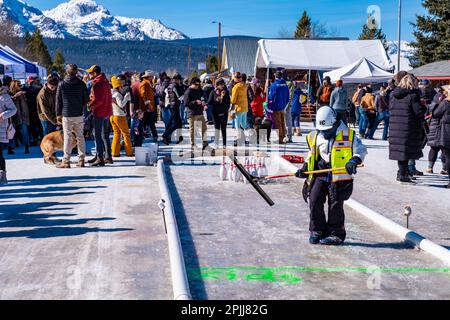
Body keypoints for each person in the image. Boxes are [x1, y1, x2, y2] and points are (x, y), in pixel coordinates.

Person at [295, 106, 367, 245]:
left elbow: (361, 149)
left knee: (335, 204)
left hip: (338, 177)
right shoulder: (315, 136)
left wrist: (354, 160)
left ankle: (336, 234)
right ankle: (317, 230)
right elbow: (311, 155)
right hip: (320, 173)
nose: (324, 133)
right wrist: (304, 169)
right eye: (322, 130)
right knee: (314, 200)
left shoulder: (348, 135)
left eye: (327, 130)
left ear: (334, 124)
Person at [389, 73, 427, 183]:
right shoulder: (413, 96)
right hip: (408, 127)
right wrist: (424, 106)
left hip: (396, 127)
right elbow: (418, 112)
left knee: (401, 153)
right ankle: (403, 175)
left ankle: (402, 173)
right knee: (406, 152)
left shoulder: (394, 95)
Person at [55, 64, 90, 168]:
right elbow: (86, 99)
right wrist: (80, 105)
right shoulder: (81, 84)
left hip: (66, 113)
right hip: (78, 113)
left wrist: (58, 114)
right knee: (80, 136)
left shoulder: (62, 84)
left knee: (67, 137)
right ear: (76, 72)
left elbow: (58, 100)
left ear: (66, 72)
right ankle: (81, 159)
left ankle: (66, 161)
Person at [86, 65, 113, 167]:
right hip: (106, 111)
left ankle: (100, 158)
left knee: (97, 135)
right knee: (104, 134)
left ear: (95, 73)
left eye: (90, 73)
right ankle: (107, 156)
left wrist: (90, 105)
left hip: (100, 111)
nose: (89, 75)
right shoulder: (105, 81)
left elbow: (98, 100)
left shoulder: (97, 83)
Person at [430, 85, 450, 188]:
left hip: (447, 131)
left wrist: (439, 103)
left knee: (448, 155)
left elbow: (435, 113)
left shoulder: (446, 103)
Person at [110, 76, 133, 157]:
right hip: (119, 116)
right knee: (126, 134)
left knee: (116, 134)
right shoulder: (117, 94)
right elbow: (121, 104)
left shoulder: (110, 93)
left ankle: (115, 152)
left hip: (112, 116)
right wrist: (126, 97)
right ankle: (129, 152)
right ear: (119, 86)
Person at [0, 79, 17, 185]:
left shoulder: (4, 97)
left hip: (1, 129)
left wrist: (3, 115)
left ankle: (3, 175)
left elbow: (13, 110)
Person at [184, 77, 208, 149]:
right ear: (192, 84)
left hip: (200, 112)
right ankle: (193, 144)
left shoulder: (199, 90)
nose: (198, 86)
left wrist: (204, 102)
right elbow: (186, 103)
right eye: (196, 85)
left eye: (199, 84)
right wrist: (195, 102)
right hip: (192, 113)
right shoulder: (188, 92)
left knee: (204, 128)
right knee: (192, 130)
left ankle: (205, 143)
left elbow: (203, 97)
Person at [162, 73, 184, 145]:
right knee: (175, 124)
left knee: (178, 122)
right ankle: (165, 136)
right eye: (180, 80)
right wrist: (181, 97)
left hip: (172, 105)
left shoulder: (170, 85)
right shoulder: (175, 86)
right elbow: (178, 96)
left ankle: (179, 138)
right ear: (177, 80)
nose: (180, 81)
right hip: (174, 106)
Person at [268, 71, 290, 144]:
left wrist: (269, 104)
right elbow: (288, 96)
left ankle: (280, 139)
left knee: (278, 123)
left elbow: (271, 96)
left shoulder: (274, 85)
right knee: (283, 122)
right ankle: (283, 137)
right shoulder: (285, 85)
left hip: (276, 106)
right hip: (283, 106)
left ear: (275, 76)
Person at [208, 78, 231, 147]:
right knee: (217, 128)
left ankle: (224, 144)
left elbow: (228, 102)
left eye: (223, 84)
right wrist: (216, 99)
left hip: (224, 113)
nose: (222, 86)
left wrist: (226, 109)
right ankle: (216, 143)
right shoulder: (213, 92)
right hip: (215, 113)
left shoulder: (225, 92)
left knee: (223, 129)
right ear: (217, 85)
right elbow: (209, 102)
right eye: (221, 84)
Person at [9, 80, 30, 154]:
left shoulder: (22, 93)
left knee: (25, 131)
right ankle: (10, 147)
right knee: (11, 132)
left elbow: (25, 104)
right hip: (13, 116)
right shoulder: (9, 93)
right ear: (14, 85)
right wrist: (16, 96)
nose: (20, 86)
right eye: (19, 85)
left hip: (23, 115)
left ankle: (26, 146)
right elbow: (9, 102)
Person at [23, 76, 44, 146]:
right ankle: (36, 139)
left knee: (38, 126)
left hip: (37, 110)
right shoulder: (25, 89)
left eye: (32, 82)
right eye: (30, 82)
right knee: (34, 126)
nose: (31, 83)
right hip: (31, 111)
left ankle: (41, 138)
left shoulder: (36, 88)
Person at [139, 71, 158, 142]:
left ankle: (154, 136)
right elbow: (143, 94)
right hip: (146, 108)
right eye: (151, 76)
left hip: (148, 107)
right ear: (148, 77)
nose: (152, 77)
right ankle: (140, 137)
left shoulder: (148, 83)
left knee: (149, 122)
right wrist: (148, 104)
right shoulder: (144, 83)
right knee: (143, 122)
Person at [231, 72, 249, 145]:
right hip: (245, 107)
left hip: (238, 108)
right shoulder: (245, 86)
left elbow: (233, 99)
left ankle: (239, 138)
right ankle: (246, 137)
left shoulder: (236, 87)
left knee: (237, 125)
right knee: (244, 124)